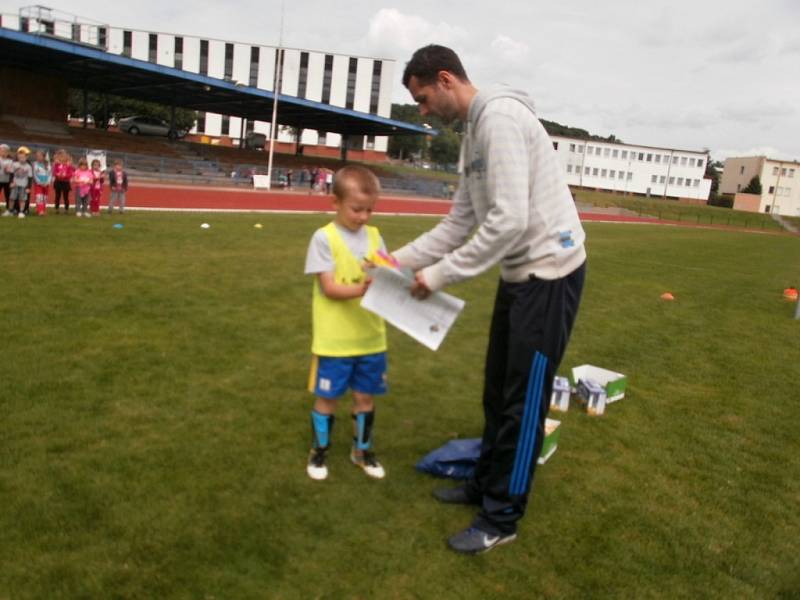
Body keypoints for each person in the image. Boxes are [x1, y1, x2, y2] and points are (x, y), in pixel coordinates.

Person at [393, 45, 587, 554]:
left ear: (445, 79)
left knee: (522, 404)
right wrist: (400, 262)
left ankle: (502, 519)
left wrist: (437, 276)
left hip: (550, 275)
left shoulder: (499, 118)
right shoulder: (474, 134)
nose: (424, 112)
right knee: (497, 391)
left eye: (424, 100)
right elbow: (460, 221)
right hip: (520, 274)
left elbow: (509, 221)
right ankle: (484, 484)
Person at [303, 165, 389, 482]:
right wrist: (364, 288)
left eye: (370, 210)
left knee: (365, 399)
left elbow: (389, 275)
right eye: (357, 209)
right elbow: (329, 288)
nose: (364, 217)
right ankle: (319, 452)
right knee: (328, 399)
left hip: (371, 338)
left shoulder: (376, 237)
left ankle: (361, 451)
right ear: (335, 202)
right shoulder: (323, 238)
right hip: (334, 341)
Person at [8, 146, 33, 219]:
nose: (22, 158)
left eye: (23, 157)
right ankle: (10, 210)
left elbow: (30, 177)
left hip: (24, 185)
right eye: (20, 157)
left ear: (27, 157)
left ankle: (21, 211)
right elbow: (11, 174)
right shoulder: (14, 164)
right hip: (15, 184)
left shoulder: (28, 166)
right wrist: (11, 182)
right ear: (18, 157)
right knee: (12, 198)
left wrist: (28, 187)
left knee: (22, 199)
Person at [52, 150, 75, 214]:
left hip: (65, 182)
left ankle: (66, 209)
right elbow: (54, 172)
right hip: (58, 181)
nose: (62, 157)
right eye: (60, 156)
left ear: (66, 157)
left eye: (63, 156)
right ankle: (56, 208)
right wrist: (58, 174)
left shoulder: (69, 165)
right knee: (57, 196)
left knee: (66, 196)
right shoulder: (57, 165)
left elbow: (71, 174)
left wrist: (65, 176)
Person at [31, 150, 51, 216]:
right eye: (37, 156)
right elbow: (34, 174)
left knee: (45, 197)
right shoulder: (34, 164)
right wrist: (39, 182)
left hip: (46, 184)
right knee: (39, 197)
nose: (38, 157)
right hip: (38, 184)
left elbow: (50, 174)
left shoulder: (48, 164)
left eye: (40, 156)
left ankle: (43, 209)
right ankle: (40, 210)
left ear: (43, 157)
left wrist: (47, 182)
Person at [0, 144, 13, 215]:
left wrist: (9, 170)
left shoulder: (10, 161)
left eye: (5, 151)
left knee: (8, 195)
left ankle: (9, 209)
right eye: (2, 151)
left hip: (7, 180)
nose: (3, 152)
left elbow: (13, 170)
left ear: (8, 152)